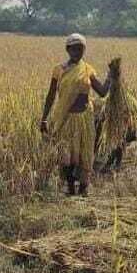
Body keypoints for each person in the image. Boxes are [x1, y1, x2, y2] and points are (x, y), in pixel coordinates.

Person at [40, 33, 116, 196]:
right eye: (74, 49)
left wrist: (111, 76)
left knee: (85, 153)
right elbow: (51, 95)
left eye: (81, 49)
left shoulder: (88, 70)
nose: (78, 52)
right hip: (65, 119)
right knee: (66, 155)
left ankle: (83, 189)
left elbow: (102, 92)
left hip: (84, 118)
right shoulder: (58, 70)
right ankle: (70, 188)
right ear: (68, 49)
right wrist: (44, 118)